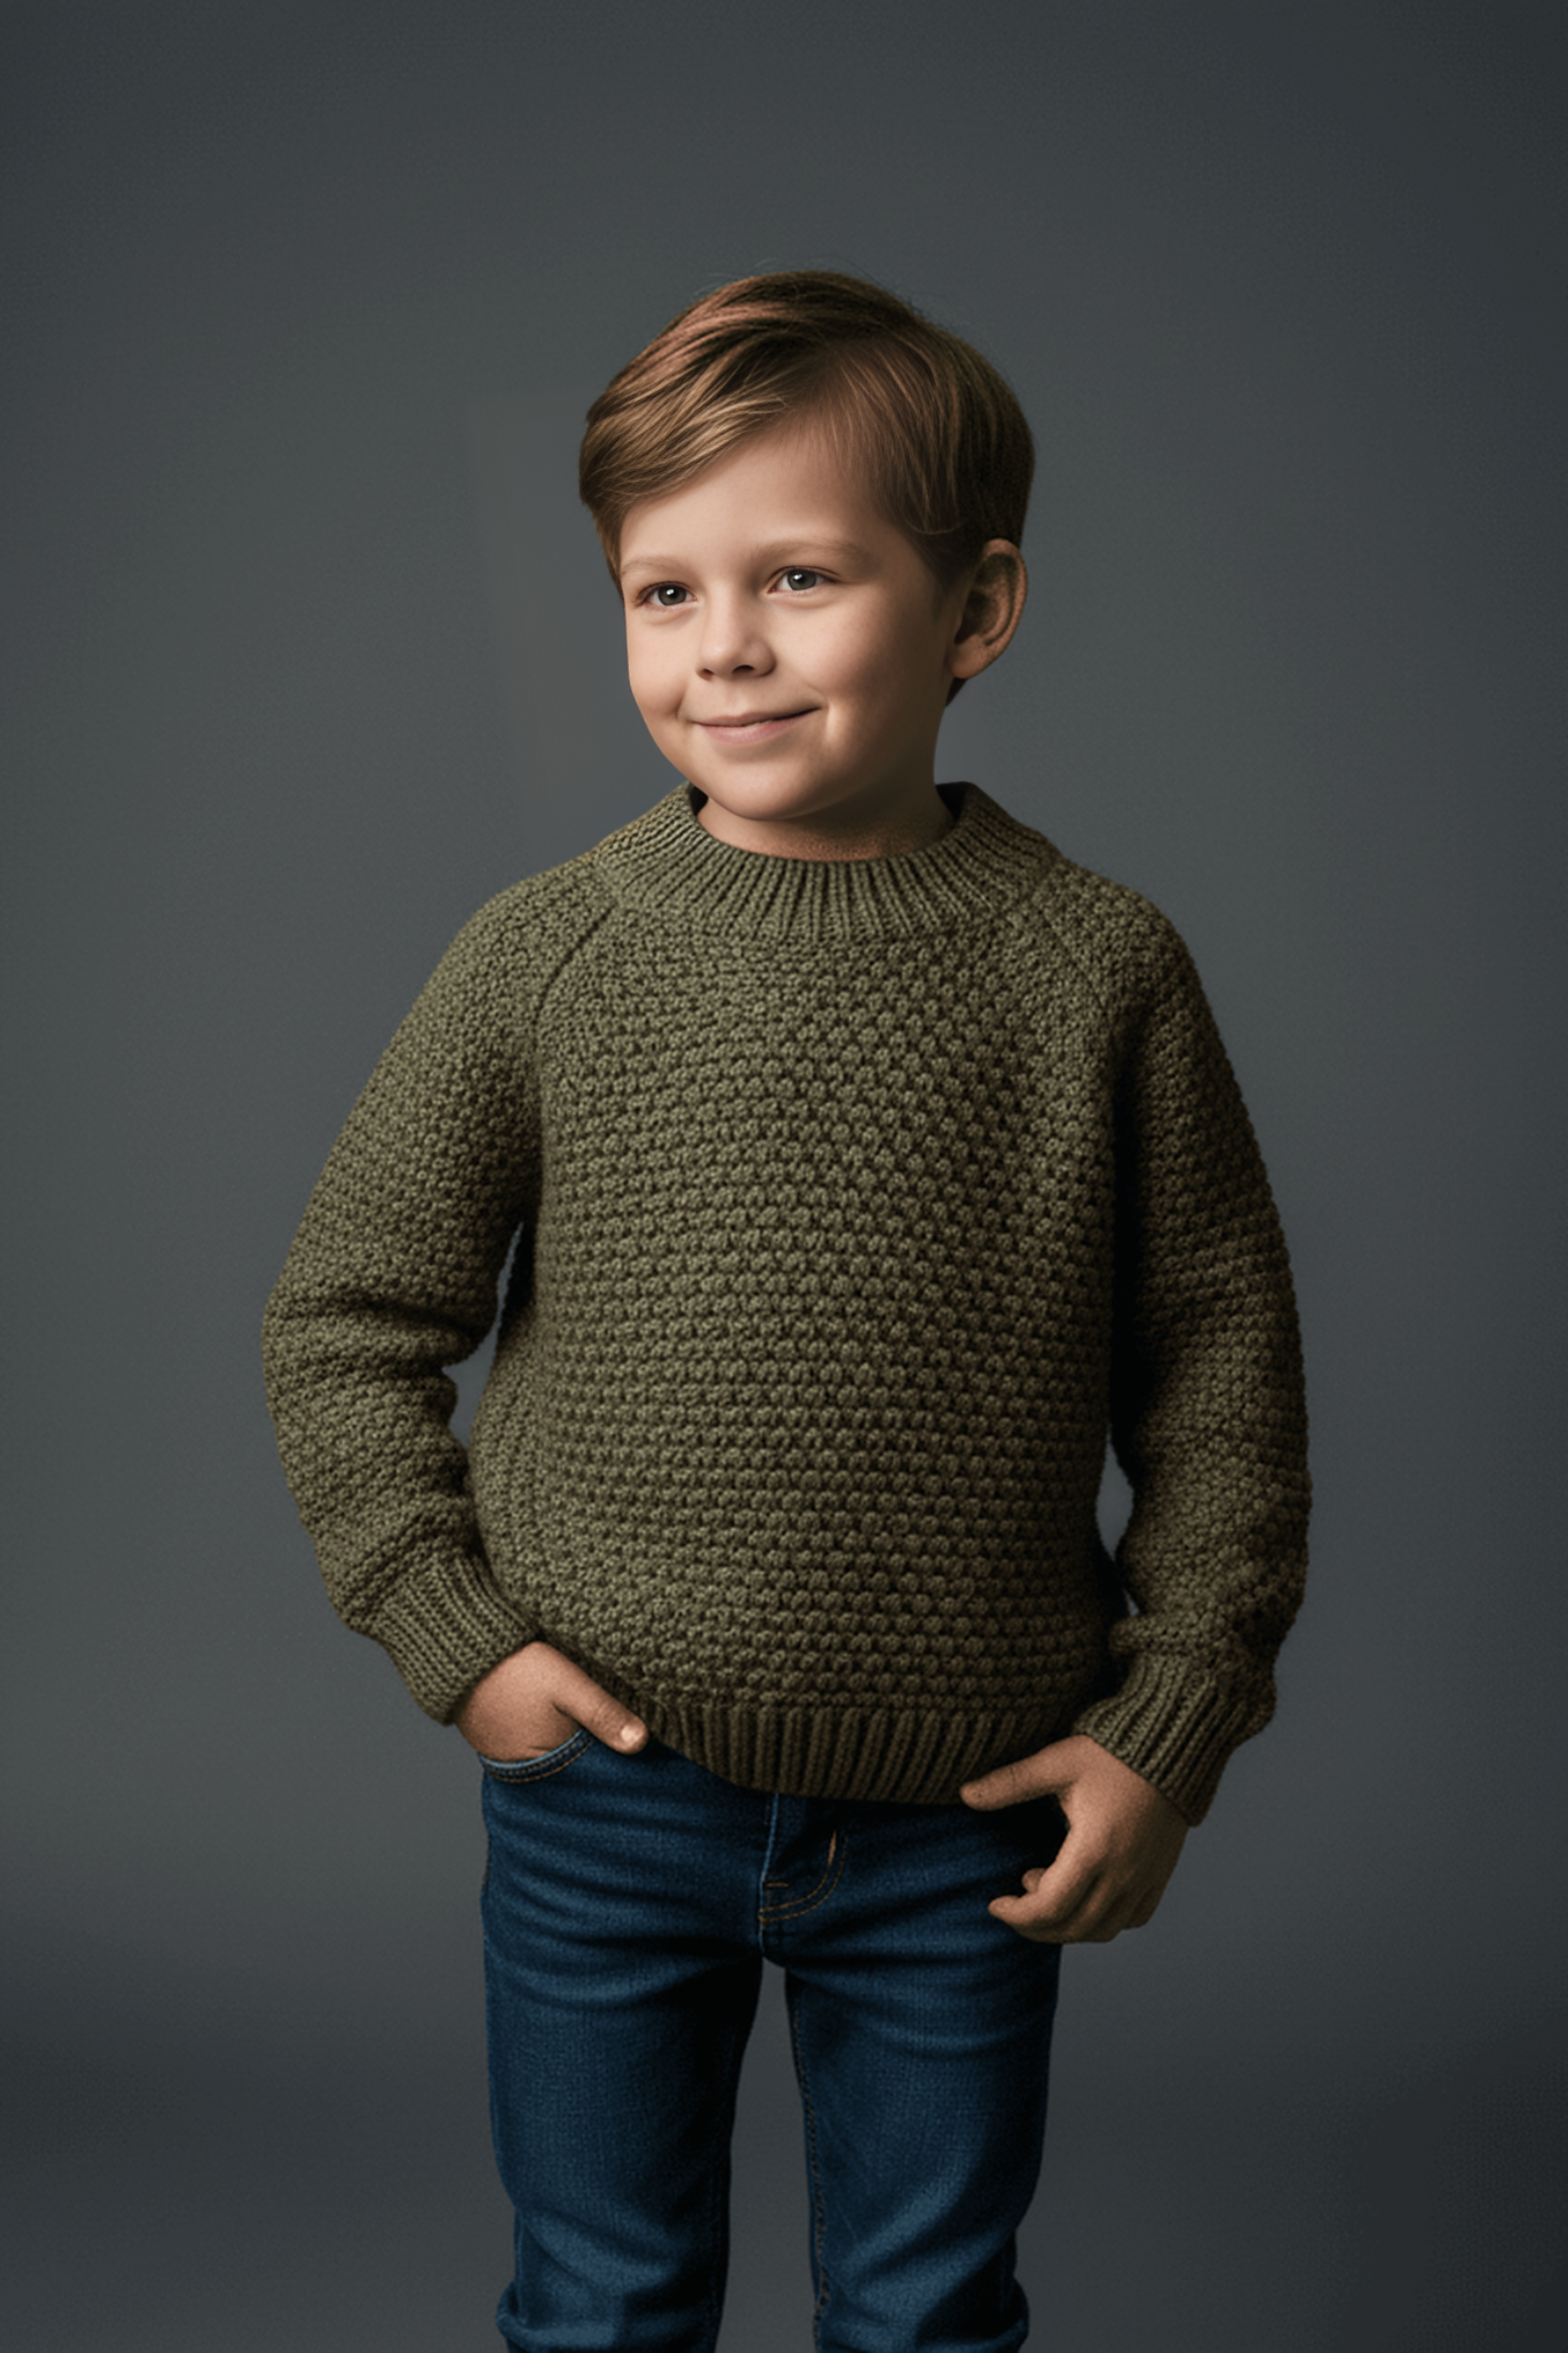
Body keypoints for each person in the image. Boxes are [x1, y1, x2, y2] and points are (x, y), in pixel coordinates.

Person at [262, 268, 1310, 2352]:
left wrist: (1170, 1718)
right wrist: (454, 1633)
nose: (722, 646)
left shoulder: (1099, 967)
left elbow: (1222, 1373)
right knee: (599, 2300)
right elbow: (346, 1316)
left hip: (975, 1811)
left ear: (977, 608)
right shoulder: (545, 952)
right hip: (604, 1798)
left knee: (927, 2311)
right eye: (664, 591)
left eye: (802, 574)